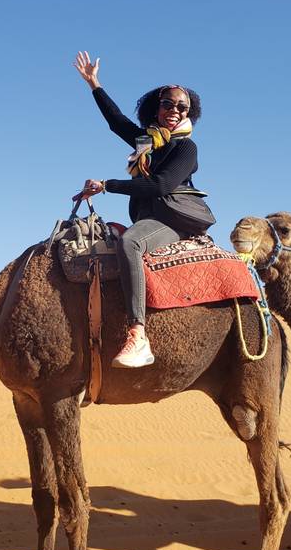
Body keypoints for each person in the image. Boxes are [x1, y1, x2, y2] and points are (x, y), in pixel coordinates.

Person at [74, 50, 208, 368]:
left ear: (189, 113)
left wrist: (107, 185)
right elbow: (116, 122)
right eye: (168, 103)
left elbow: (160, 185)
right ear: (156, 107)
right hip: (149, 219)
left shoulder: (185, 147)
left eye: (181, 106)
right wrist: (94, 84)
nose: (174, 110)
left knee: (129, 241)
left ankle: (138, 335)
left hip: (174, 220)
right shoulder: (147, 143)